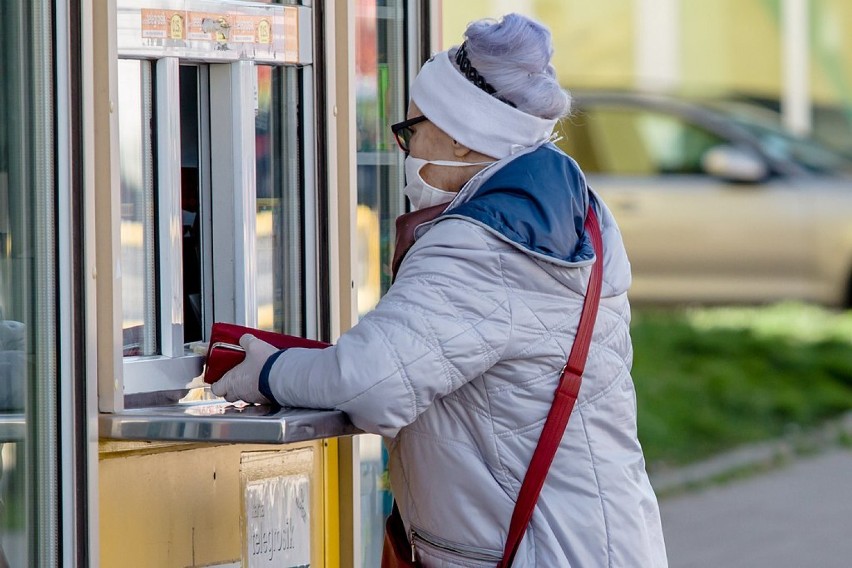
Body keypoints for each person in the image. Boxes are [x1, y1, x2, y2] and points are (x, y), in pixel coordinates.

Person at [213, 13, 668, 567]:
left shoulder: (481, 247)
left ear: (459, 137)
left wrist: (263, 371)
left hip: (541, 551)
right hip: (594, 538)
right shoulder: (575, 214)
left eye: (410, 130)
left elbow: (372, 384)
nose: (404, 148)